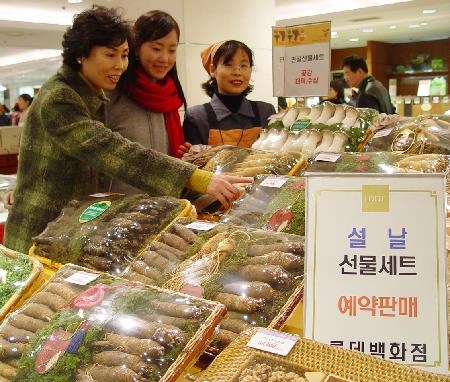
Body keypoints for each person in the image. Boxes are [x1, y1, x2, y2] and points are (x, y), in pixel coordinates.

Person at [4, 6, 252, 254]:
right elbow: (112, 150)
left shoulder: (91, 93)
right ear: (81, 54)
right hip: (41, 232)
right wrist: (197, 177)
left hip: (77, 226)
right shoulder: (61, 98)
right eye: (110, 55)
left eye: (124, 55)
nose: (120, 65)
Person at [107, 10, 187, 194]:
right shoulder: (113, 96)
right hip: (119, 211)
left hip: (166, 206)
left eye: (172, 50)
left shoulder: (170, 97)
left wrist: (184, 154)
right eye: (156, 49)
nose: (165, 58)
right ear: (136, 47)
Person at [182, 40, 276, 148]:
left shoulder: (266, 112)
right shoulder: (196, 117)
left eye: (244, 65)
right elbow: (194, 162)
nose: (237, 72)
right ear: (213, 70)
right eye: (228, 64)